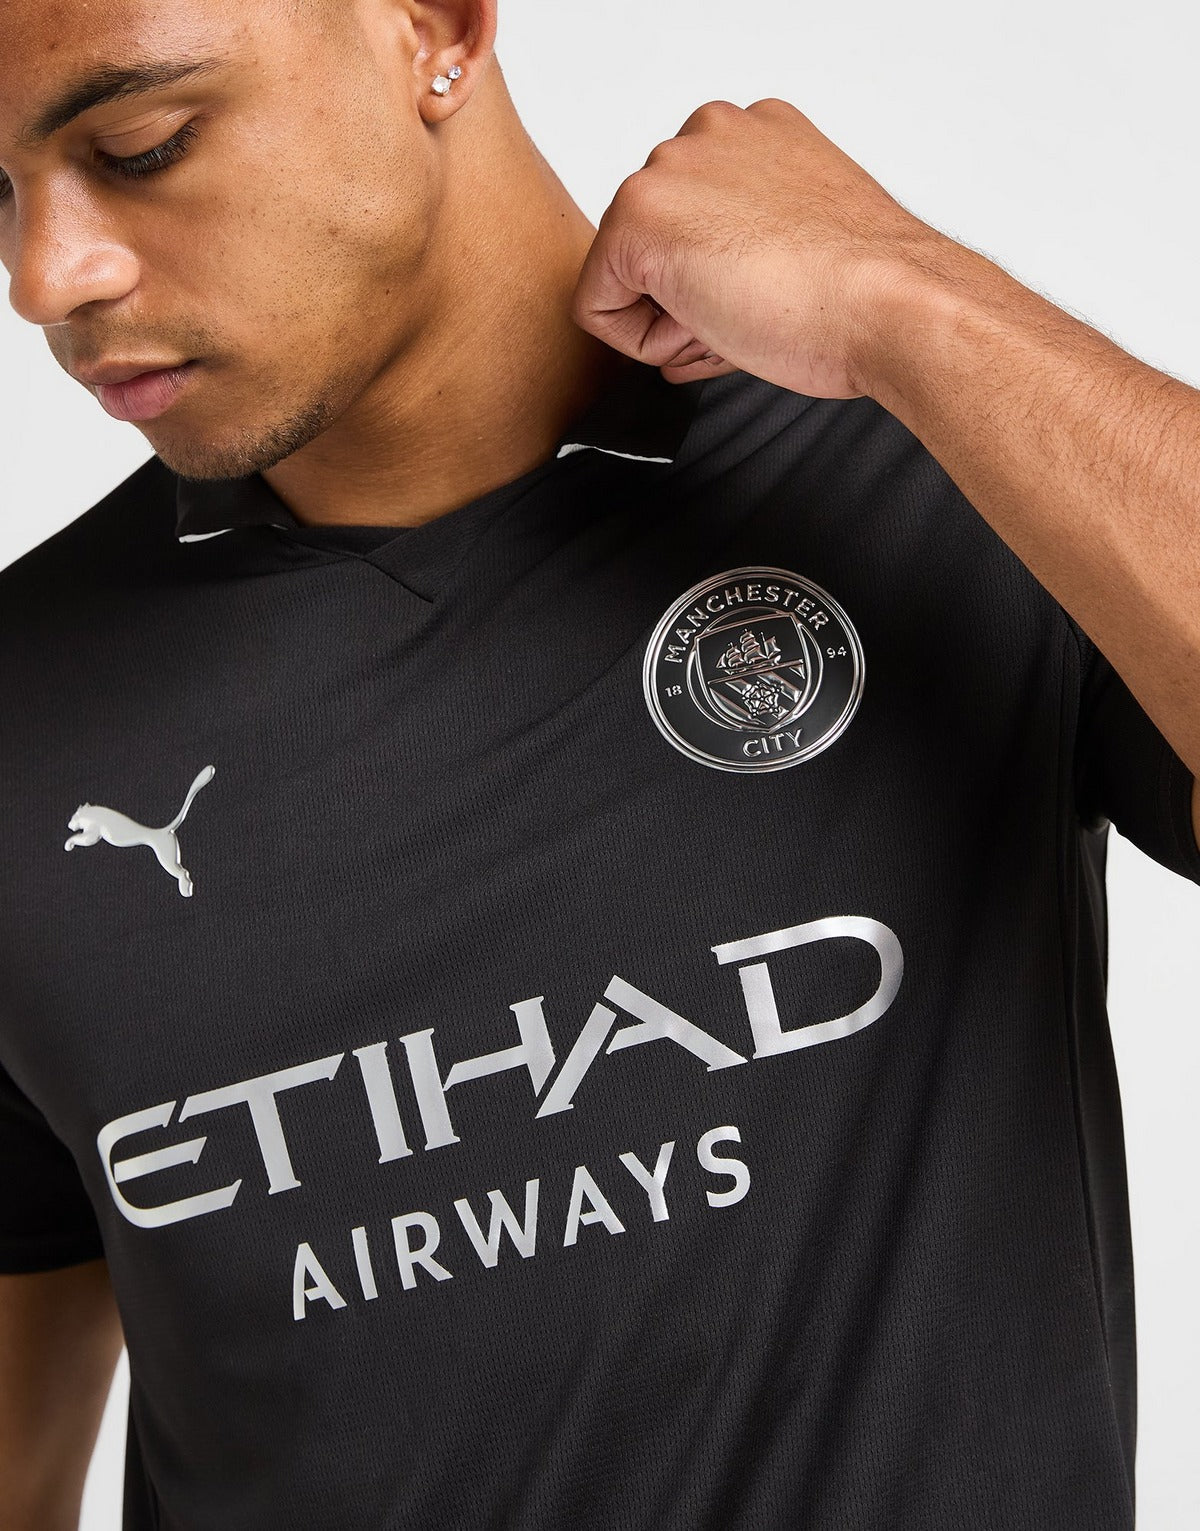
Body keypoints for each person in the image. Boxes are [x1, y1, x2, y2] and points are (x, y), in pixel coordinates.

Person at [0, 0, 1197, 1526]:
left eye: (141, 146)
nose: (45, 279)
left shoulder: (946, 473)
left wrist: (911, 300)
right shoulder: (25, 725)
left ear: (432, 25)